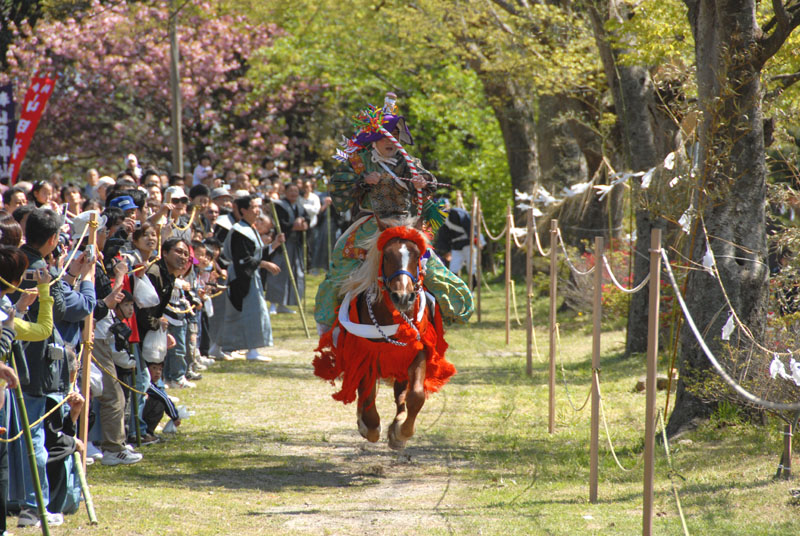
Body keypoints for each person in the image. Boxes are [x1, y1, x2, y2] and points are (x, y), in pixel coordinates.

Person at [314, 95, 473, 333]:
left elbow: (430, 180)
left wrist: (423, 182)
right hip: (371, 224)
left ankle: (440, 317)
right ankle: (329, 326)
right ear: (375, 139)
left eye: (397, 136)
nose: (393, 140)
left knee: (433, 269)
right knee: (342, 267)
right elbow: (338, 186)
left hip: (408, 224)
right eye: (388, 135)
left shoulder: (408, 161)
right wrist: (363, 181)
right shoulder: (360, 161)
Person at [220, 195, 281, 361]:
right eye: (254, 207)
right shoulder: (240, 231)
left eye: (258, 207)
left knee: (256, 312)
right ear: (243, 210)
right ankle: (249, 350)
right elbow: (244, 260)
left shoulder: (249, 228)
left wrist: (274, 244)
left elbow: (256, 254)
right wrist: (265, 264)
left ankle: (252, 348)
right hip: (242, 276)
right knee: (250, 312)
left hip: (250, 275)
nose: (257, 210)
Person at [268, 183, 309, 314]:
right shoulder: (279, 205)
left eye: (296, 191)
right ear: (285, 192)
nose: (293, 193)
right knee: (279, 272)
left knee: (295, 274)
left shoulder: (299, 206)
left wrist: (302, 220)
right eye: (291, 190)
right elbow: (279, 223)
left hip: (295, 245)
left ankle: (284, 304)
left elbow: (307, 219)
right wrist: (293, 226)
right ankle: (273, 304)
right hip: (282, 244)